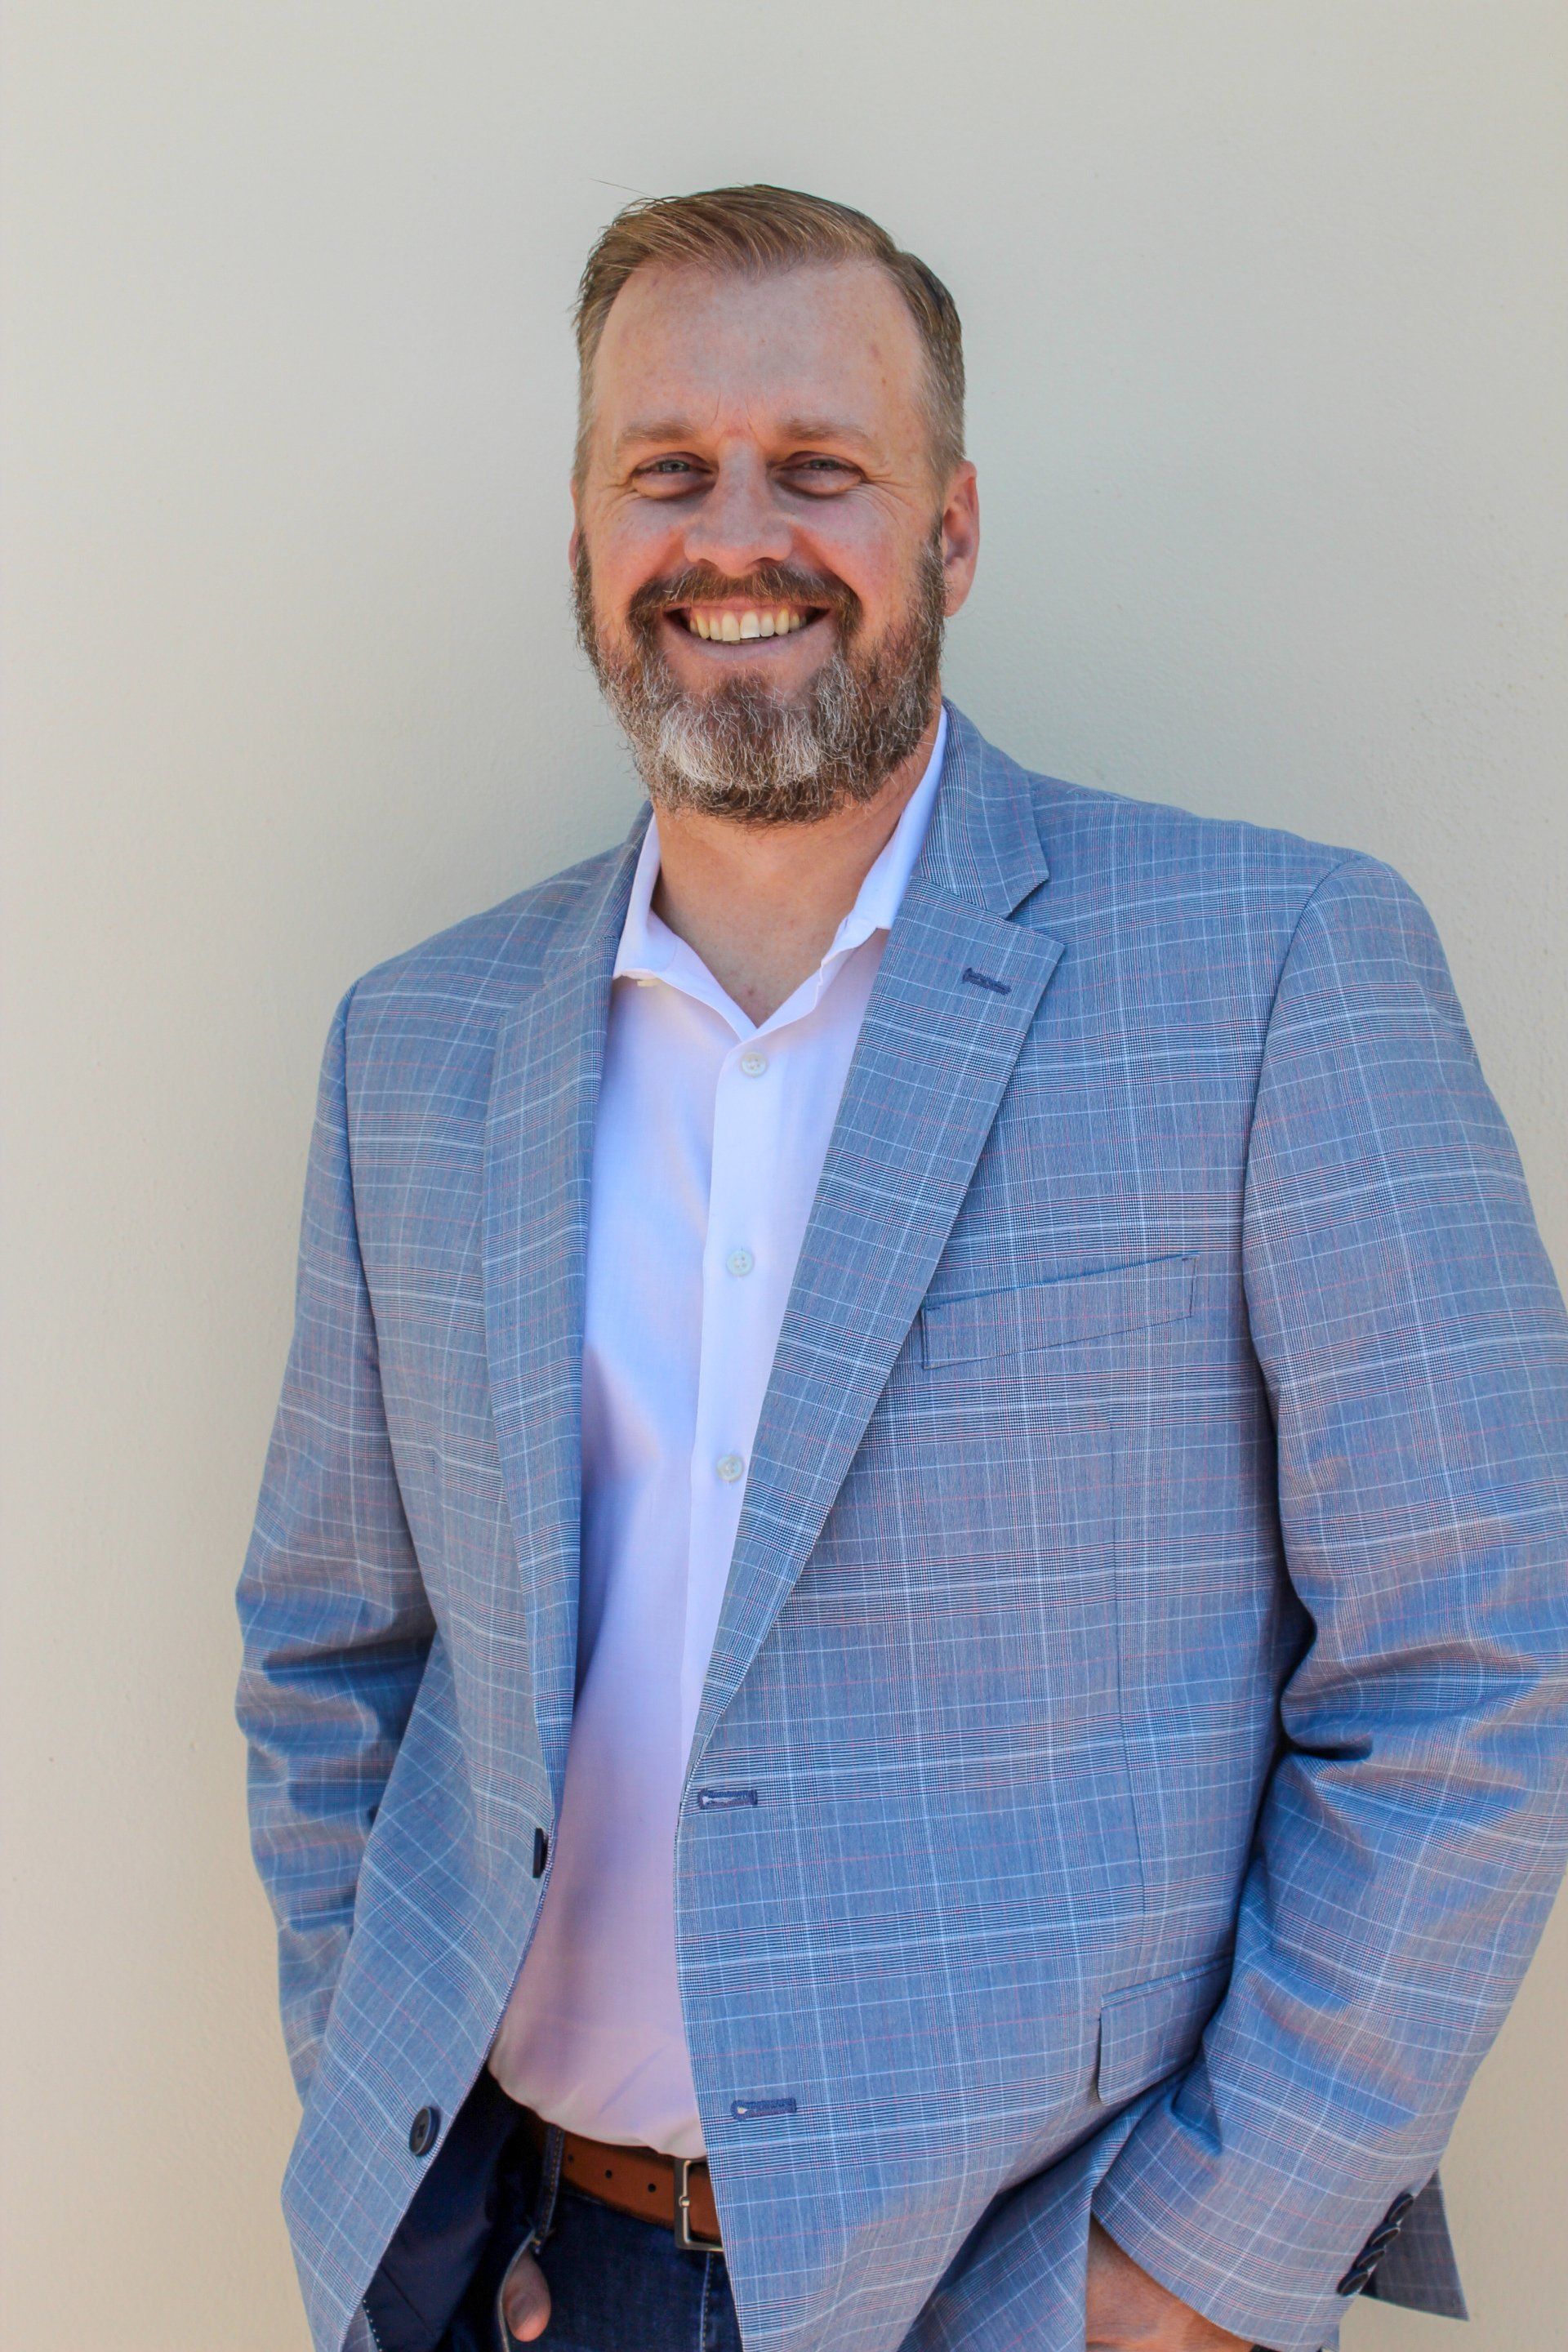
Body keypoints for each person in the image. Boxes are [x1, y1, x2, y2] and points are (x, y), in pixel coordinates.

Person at [237, 186, 1568, 2352]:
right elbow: (334, 1654)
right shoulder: (418, 1047)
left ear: (951, 534)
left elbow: (1487, 1657)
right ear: (582, 542)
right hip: (543, 2278)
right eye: (665, 473)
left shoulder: (1273, 973)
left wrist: (1190, 2281)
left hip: (1047, 2289)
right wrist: (397, 2128)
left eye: (819, 471)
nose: (734, 537)